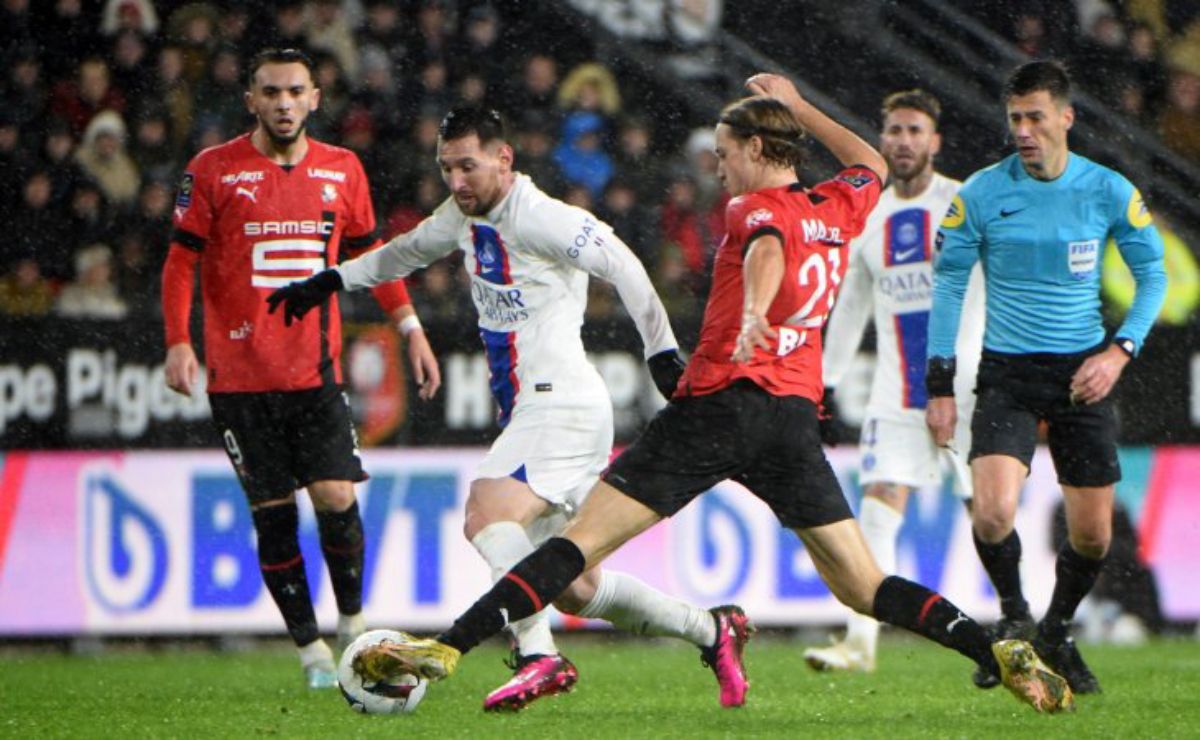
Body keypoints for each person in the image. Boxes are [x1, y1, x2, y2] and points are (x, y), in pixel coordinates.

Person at [278, 75, 1076, 715]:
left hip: (718, 406)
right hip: (791, 420)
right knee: (862, 584)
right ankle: (992, 647)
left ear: (757, 151)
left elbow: (764, 247)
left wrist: (758, 309)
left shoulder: (752, 207)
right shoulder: (841, 205)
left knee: (572, 547)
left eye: (727, 152)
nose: (718, 167)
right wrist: (802, 104)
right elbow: (864, 158)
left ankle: (448, 648)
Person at [267, 105, 751, 712]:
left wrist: (661, 352)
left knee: (485, 507)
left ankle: (537, 654)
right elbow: (404, 252)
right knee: (574, 585)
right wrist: (328, 283)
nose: (456, 181)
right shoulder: (462, 216)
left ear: (504, 159)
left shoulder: (542, 216)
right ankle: (713, 631)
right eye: (446, 168)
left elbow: (623, 262)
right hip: (543, 408)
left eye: (467, 166)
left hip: (560, 402)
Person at [160, 48, 441, 689]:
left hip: (315, 374)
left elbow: (373, 257)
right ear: (250, 100)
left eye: (294, 92)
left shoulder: (343, 170)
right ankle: (310, 651)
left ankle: (352, 624)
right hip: (239, 379)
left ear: (316, 97)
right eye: (270, 92)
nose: (283, 103)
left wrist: (411, 326)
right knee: (274, 514)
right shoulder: (214, 170)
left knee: (338, 497)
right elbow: (181, 261)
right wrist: (179, 340)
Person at [925, 60, 1167, 695]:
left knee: (1094, 535)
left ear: (1066, 117)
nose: (1024, 130)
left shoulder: (1109, 190)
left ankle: (1057, 628)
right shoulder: (980, 193)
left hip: (1083, 372)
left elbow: (1155, 278)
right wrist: (941, 385)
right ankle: (1014, 616)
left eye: (1036, 117)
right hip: (1007, 373)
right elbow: (948, 284)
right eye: (1015, 119)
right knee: (993, 514)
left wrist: (1118, 353)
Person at [803, 90, 985, 673]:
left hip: (968, 389)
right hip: (895, 389)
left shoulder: (964, 202)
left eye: (915, 130)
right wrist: (825, 383)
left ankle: (1020, 622)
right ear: (881, 139)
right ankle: (860, 641)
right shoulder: (869, 213)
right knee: (878, 507)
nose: (903, 141)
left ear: (935, 141)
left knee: (990, 513)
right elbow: (851, 301)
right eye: (894, 130)